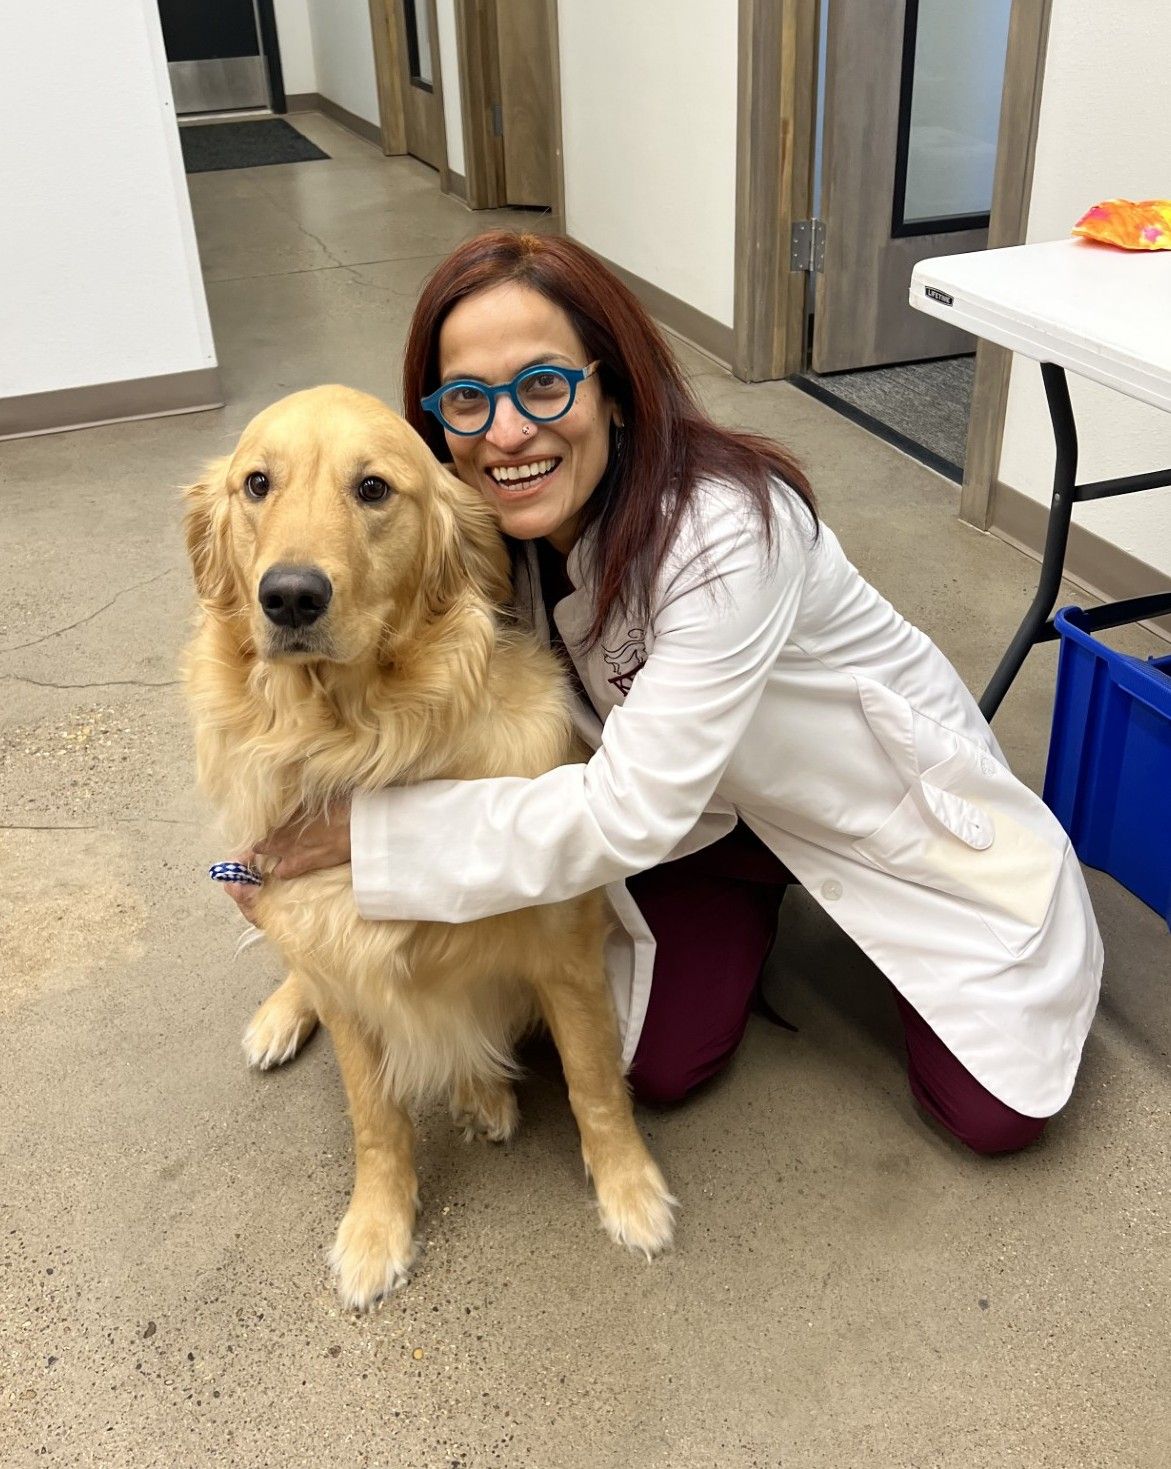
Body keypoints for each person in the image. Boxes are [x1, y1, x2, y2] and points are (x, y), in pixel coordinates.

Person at [223, 230, 1102, 1156]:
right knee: (662, 1064)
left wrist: (356, 842)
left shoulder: (725, 532)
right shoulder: (478, 533)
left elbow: (629, 806)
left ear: (614, 389)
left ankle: (886, 912)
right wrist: (285, 846)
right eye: (469, 401)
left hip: (862, 807)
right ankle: (751, 902)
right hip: (705, 819)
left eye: (544, 385)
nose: (509, 432)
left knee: (995, 1113)